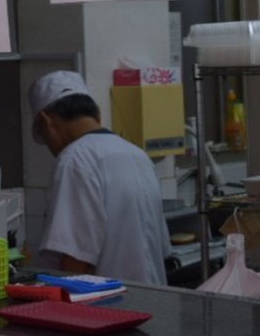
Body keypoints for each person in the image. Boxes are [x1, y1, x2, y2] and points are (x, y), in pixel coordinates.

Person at [29, 70, 171, 285]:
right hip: (154, 300)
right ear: (97, 114)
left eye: (44, 136)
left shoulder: (74, 160)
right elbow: (162, 248)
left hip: (109, 308)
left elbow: (76, 260)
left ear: (47, 121)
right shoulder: (137, 154)